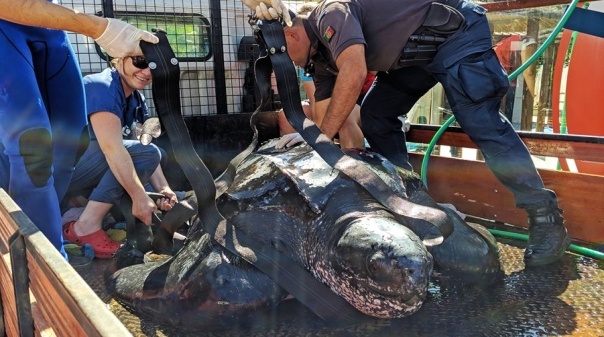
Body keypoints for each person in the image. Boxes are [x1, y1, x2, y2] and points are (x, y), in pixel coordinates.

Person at [244, 0, 571, 267]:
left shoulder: (331, 12)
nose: (287, 69)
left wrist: (321, 138)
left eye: (283, 61)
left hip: (456, 35)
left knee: (480, 120)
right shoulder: (319, 58)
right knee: (376, 113)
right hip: (412, 57)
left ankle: (545, 218)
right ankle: (409, 203)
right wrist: (309, 138)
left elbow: (355, 71)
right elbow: (333, 120)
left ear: (291, 37)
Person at [0, 0, 158, 260]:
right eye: (138, 61)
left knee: (72, 141)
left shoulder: (137, 100)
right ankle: (45, 265)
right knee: (32, 149)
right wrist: (100, 29)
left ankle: (48, 232)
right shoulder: (105, 87)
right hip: (7, 24)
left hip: (50, 29)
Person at [61, 56, 177, 258]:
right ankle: (83, 227)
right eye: (140, 61)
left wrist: (163, 190)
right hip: (61, 175)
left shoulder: (138, 100)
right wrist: (140, 196)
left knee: (158, 155)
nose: (147, 72)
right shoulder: (101, 86)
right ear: (119, 58)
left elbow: (145, 149)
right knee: (144, 154)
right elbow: (113, 149)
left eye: (154, 66)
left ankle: (113, 214)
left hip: (89, 172)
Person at [493, 34, 538, 122]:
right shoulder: (529, 42)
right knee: (504, 119)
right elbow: (529, 72)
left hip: (497, 79)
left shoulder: (507, 41)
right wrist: (537, 98)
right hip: (503, 81)